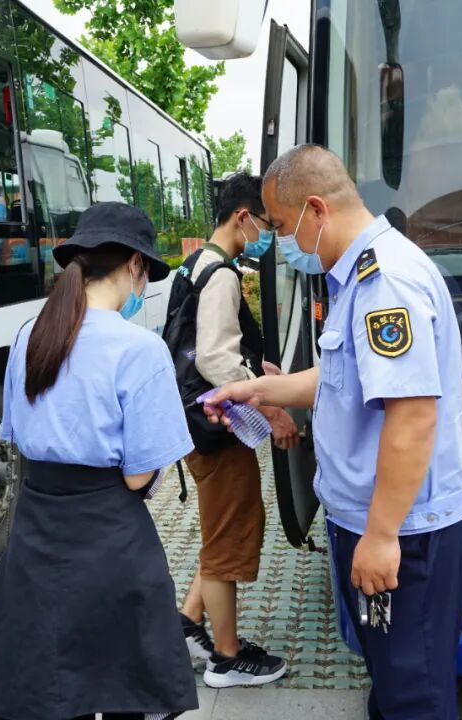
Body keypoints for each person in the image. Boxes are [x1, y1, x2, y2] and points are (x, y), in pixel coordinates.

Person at [203, 145, 462, 720]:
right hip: (376, 522)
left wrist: (380, 536)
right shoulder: (356, 276)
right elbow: (339, 377)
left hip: (406, 534)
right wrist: (256, 391)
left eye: (283, 227)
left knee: (414, 698)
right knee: (393, 685)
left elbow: (412, 415)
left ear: (316, 210)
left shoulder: (385, 283)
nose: (282, 241)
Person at [0, 202, 198, 720]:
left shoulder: (29, 336)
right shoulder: (140, 349)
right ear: (133, 264)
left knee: (51, 687)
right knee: (122, 687)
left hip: (37, 531)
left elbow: (15, 435)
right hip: (110, 539)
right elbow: (138, 478)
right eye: (145, 272)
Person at [165, 172, 298, 688]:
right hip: (217, 427)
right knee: (227, 537)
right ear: (243, 217)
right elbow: (216, 358)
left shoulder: (195, 263)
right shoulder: (220, 273)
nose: (270, 235)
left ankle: (188, 619)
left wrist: (257, 371)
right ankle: (225, 658)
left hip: (196, 422)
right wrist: (270, 405)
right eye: (267, 224)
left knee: (226, 524)